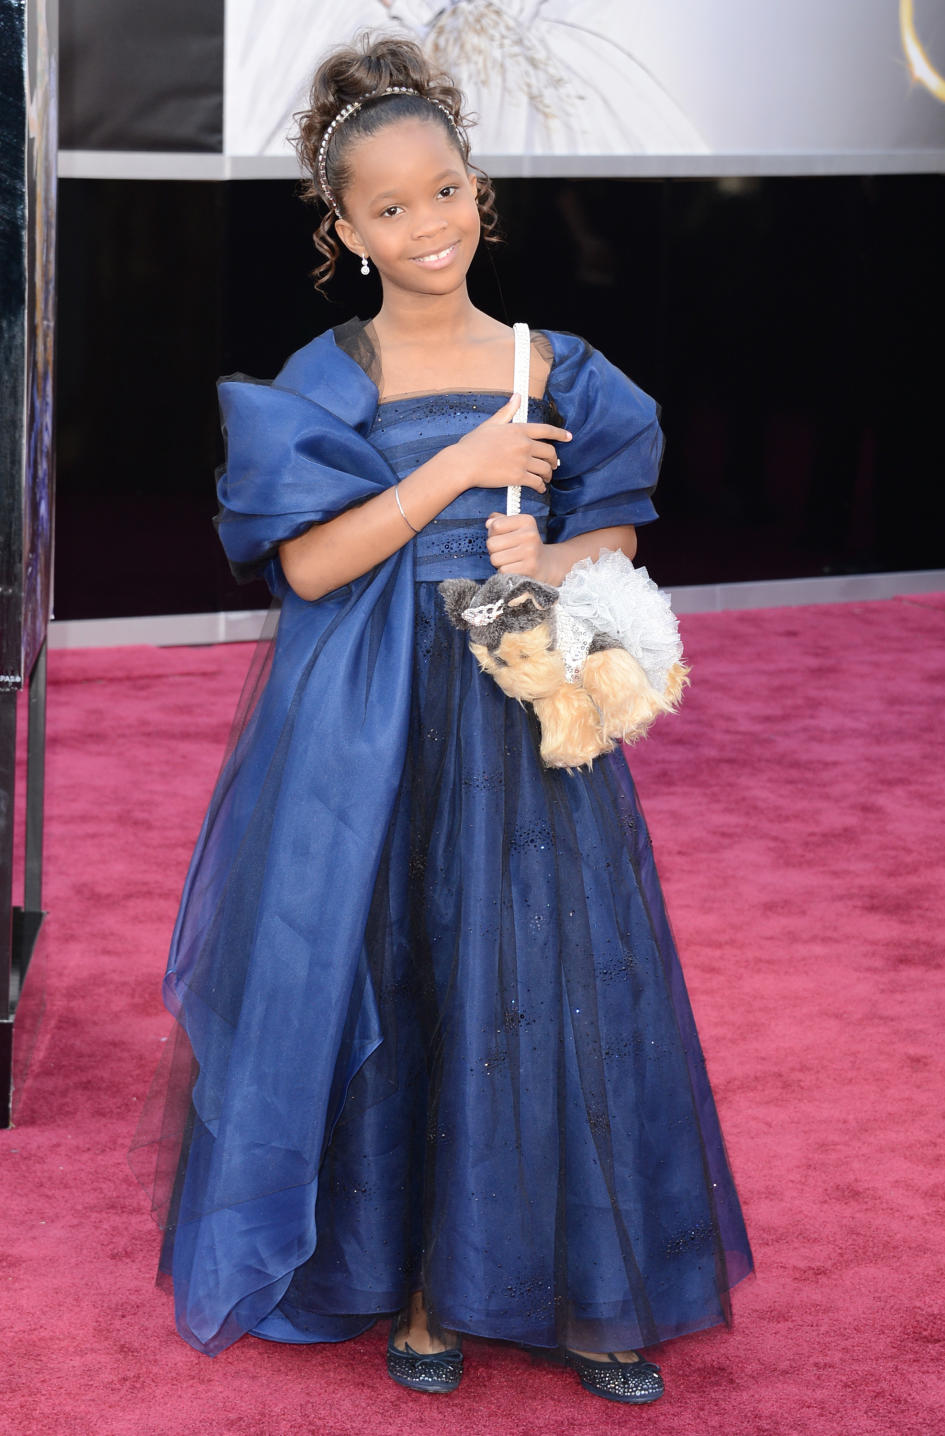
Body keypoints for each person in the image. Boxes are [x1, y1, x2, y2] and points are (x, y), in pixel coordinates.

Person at [132, 30, 754, 1406]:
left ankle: (585, 1294)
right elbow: (304, 566)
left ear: (482, 192)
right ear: (345, 228)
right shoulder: (325, 376)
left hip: (524, 717)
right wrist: (462, 469)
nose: (429, 224)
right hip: (370, 731)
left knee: (548, 977)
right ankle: (421, 1281)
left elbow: (615, 542)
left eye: (448, 191)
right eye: (392, 206)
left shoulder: (562, 363)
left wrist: (561, 564)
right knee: (401, 972)